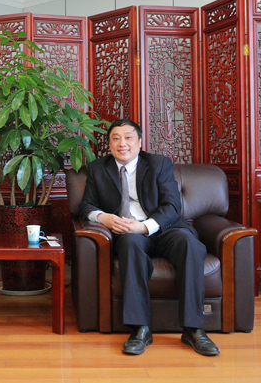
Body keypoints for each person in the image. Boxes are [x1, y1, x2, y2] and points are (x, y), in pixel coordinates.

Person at [78, 119, 219, 356]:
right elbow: (86, 207)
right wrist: (105, 218)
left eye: (128, 137)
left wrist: (144, 226)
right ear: (109, 145)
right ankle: (140, 329)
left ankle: (194, 329)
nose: (122, 143)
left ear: (140, 142)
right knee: (130, 245)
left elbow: (172, 206)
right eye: (115, 138)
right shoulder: (97, 168)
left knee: (190, 245)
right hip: (128, 233)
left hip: (164, 228)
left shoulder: (159, 164)